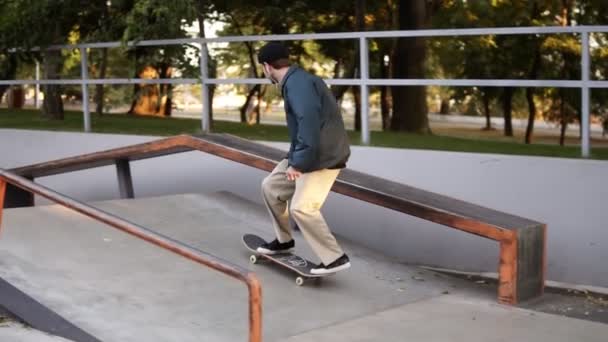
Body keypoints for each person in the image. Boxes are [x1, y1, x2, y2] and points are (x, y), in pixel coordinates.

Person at [256, 42, 351, 275]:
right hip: (308, 152)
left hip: (324, 156)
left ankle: (335, 257)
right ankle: (284, 241)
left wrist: (298, 164)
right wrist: (295, 158)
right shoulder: (295, 81)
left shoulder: (298, 85)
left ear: (267, 67)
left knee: (302, 207)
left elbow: (308, 123)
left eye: (263, 69)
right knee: (271, 187)